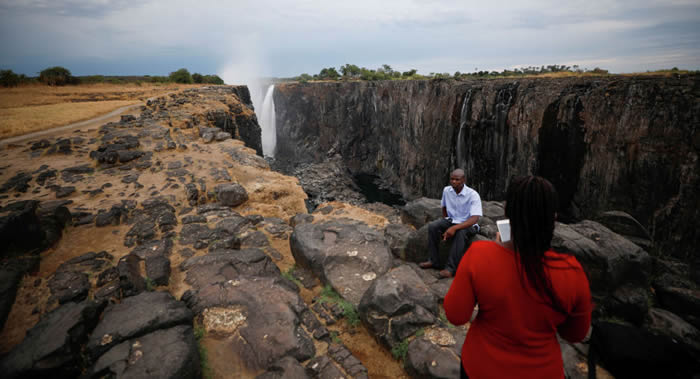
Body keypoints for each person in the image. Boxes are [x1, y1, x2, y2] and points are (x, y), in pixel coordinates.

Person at [443, 176, 592, 379]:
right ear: (553, 219)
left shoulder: (480, 255)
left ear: (507, 213)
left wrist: (499, 249)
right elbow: (575, 334)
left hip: (481, 366)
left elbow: (456, 315)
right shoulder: (571, 271)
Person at [419, 168, 482, 279]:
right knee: (433, 226)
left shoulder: (473, 195)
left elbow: (474, 219)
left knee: (460, 232)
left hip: (468, 225)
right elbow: (444, 207)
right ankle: (433, 261)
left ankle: (450, 268)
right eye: (452, 179)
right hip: (452, 220)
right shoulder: (447, 190)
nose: (453, 182)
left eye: (457, 179)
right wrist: (446, 220)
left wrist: (454, 228)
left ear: (463, 180)